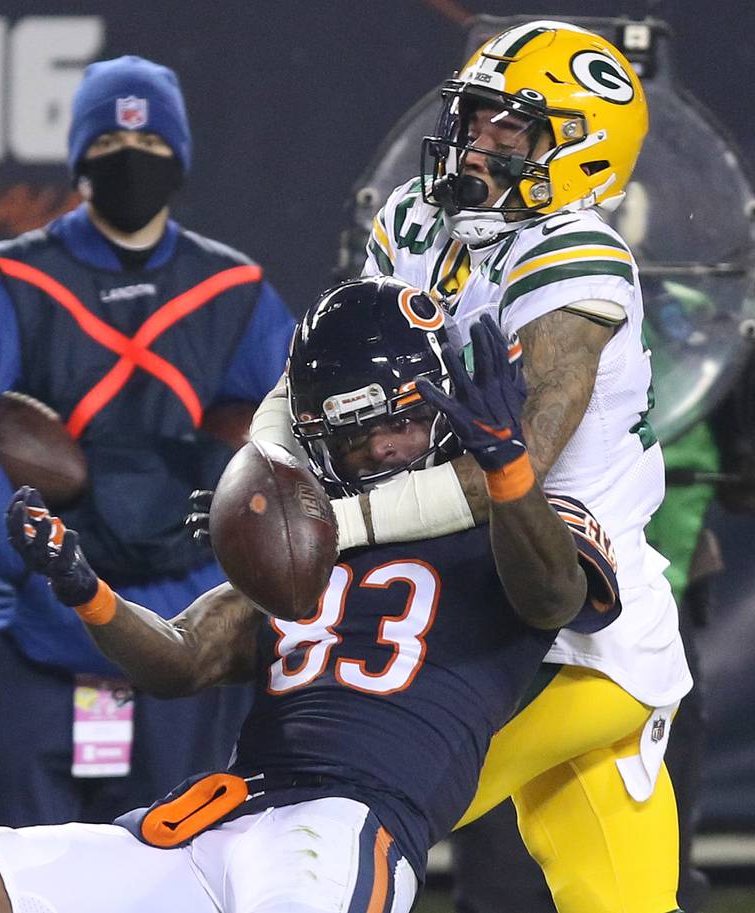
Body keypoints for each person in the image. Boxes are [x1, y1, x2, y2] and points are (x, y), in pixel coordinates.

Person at [0, 276, 621, 913]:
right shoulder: (306, 535)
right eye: (357, 435)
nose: (385, 447)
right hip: (214, 814)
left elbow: (552, 598)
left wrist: (507, 470)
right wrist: (87, 590)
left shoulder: (517, 520)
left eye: (406, 422)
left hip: (338, 823)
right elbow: (183, 658)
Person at [250, 21, 691, 913]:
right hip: (481, 589)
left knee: (353, 803)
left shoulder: (577, 261)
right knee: (624, 902)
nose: (478, 139)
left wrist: (336, 520)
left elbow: (507, 467)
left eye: (508, 126)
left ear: (579, 151)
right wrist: (264, 464)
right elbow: (322, 365)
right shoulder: (421, 217)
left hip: (575, 623)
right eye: (477, 114)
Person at [0, 55, 296, 829]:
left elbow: (294, 427)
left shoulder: (234, 288)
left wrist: (226, 555)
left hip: (181, 632)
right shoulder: (15, 278)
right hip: (37, 628)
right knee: (5, 861)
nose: (129, 159)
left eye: (147, 145)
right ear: (78, 161)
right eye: (106, 146)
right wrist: (24, 559)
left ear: (179, 158)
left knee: (167, 867)